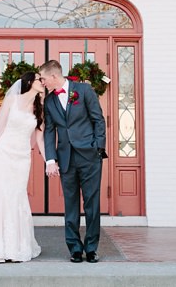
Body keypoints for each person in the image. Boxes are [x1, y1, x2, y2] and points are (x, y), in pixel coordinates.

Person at [0, 71, 47, 263]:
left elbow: (40, 139)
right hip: (3, 152)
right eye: (40, 79)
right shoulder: (12, 100)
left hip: (22, 157)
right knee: (0, 195)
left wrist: (49, 161)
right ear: (30, 81)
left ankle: (16, 247)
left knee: (16, 196)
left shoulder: (40, 108)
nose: (43, 82)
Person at [39, 59, 107, 263]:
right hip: (66, 159)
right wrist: (50, 159)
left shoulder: (84, 90)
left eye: (43, 78)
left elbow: (98, 120)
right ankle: (75, 248)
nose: (42, 82)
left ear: (53, 76)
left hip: (90, 157)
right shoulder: (49, 101)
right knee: (70, 205)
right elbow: (49, 131)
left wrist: (98, 148)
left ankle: (92, 248)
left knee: (92, 205)